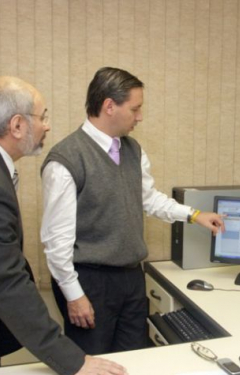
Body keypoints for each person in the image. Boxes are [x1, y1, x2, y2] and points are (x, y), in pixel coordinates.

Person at [41, 67, 225, 355]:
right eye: (135, 109)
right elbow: (56, 241)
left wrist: (194, 215)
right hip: (89, 281)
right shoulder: (66, 161)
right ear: (109, 106)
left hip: (130, 278)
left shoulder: (133, 150)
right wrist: (74, 296)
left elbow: (148, 199)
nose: (140, 117)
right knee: (94, 367)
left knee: (135, 362)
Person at [0, 76, 128, 375]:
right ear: (16, 126)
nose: (47, 126)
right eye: (43, 117)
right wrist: (71, 359)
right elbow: (4, 282)